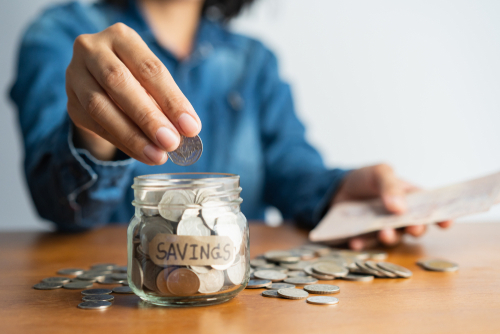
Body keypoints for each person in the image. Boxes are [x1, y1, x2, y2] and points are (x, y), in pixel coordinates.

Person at [10, 0, 451, 249]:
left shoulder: (255, 61)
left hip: (236, 295)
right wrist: (92, 131)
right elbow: (58, 205)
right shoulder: (62, 36)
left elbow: (292, 170)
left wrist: (339, 190)